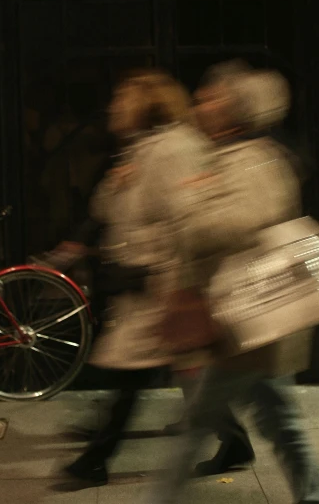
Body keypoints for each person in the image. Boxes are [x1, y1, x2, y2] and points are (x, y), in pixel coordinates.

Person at [144, 61, 319, 504]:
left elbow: (238, 224)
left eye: (212, 98)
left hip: (248, 322)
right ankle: (314, 497)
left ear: (236, 109)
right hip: (247, 326)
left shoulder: (252, 159)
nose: (202, 105)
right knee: (280, 424)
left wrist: (190, 202)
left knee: (196, 427)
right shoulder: (231, 156)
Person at [61, 68, 213, 489]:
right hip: (139, 280)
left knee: (133, 376)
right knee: (173, 372)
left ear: (148, 103)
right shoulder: (142, 149)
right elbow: (109, 210)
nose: (114, 107)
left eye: (123, 98)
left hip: (156, 282)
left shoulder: (172, 150)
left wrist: (172, 283)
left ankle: (95, 459)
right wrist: (116, 184)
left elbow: (183, 220)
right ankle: (235, 440)